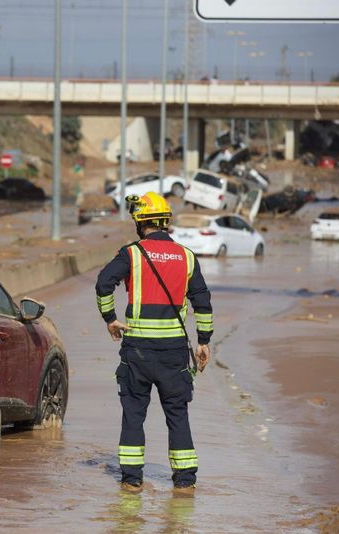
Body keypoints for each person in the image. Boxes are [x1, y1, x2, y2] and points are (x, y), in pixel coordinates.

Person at [95, 192, 213, 494]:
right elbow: (203, 302)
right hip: (174, 353)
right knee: (178, 414)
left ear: (139, 221)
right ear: (166, 222)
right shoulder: (187, 256)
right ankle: (185, 483)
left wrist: (110, 318)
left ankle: (132, 481)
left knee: (134, 413)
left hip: (137, 351)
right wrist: (204, 342)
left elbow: (103, 284)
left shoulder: (130, 254)